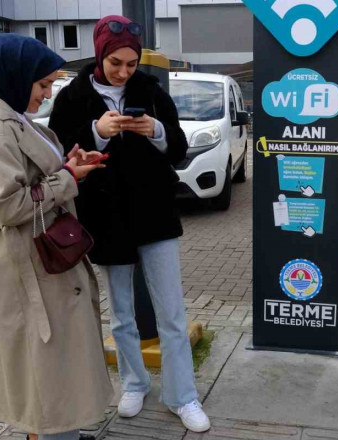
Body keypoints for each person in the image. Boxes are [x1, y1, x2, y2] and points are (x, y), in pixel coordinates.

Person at [48, 15, 211, 433]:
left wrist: (156, 129)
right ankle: (134, 383)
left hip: (154, 214)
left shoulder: (152, 92)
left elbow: (176, 146)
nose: (123, 72)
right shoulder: (73, 97)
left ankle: (182, 395)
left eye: (131, 64)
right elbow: (57, 152)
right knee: (121, 314)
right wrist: (96, 132)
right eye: (115, 63)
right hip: (106, 218)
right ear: (100, 54)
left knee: (171, 313)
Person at [0, 34, 113, 440]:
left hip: (43, 253)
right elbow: (8, 206)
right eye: (42, 85)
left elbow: (32, 174)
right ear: (14, 76)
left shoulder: (11, 114)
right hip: (28, 260)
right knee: (46, 363)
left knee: (57, 359)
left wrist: (68, 162)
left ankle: (61, 432)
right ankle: (53, 433)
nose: (46, 94)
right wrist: (68, 178)